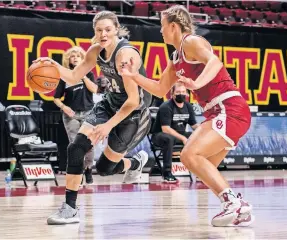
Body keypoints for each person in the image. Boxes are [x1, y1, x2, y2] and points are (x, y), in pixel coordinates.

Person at [121, 5, 254, 227]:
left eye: (162, 26)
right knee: (203, 167)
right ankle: (239, 207)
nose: (160, 31)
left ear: (173, 26)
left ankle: (234, 204)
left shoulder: (191, 42)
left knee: (189, 155)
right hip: (217, 112)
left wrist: (198, 83)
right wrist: (133, 76)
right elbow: (160, 88)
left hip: (229, 108)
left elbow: (215, 62)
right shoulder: (175, 57)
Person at [35, 10, 152, 225]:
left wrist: (107, 126)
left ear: (116, 29)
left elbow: (134, 100)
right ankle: (70, 208)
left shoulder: (125, 55)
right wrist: (52, 65)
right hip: (111, 103)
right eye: (99, 30)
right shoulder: (95, 50)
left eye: (108, 29)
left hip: (133, 113)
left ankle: (135, 164)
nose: (103, 34)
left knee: (105, 169)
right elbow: (72, 75)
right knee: (76, 147)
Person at [53, 46, 98, 184]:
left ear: (82, 58)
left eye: (78, 56)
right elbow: (56, 98)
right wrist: (63, 107)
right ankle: (77, 173)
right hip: (71, 114)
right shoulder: (65, 77)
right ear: (69, 60)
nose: (75, 58)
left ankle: (88, 169)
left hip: (88, 112)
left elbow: (95, 89)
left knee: (90, 143)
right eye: (72, 56)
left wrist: (82, 75)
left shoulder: (89, 74)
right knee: (75, 144)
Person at [151, 82, 199, 183]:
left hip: (179, 134)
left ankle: (201, 170)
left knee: (199, 137)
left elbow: (194, 125)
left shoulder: (188, 106)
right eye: (178, 92)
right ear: (172, 94)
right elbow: (166, 129)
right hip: (160, 135)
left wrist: (204, 130)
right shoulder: (166, 106)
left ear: (186, 94)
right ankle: (167, 173)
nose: (181, 94)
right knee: (169, 138)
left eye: (183, 92)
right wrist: (183, 139)